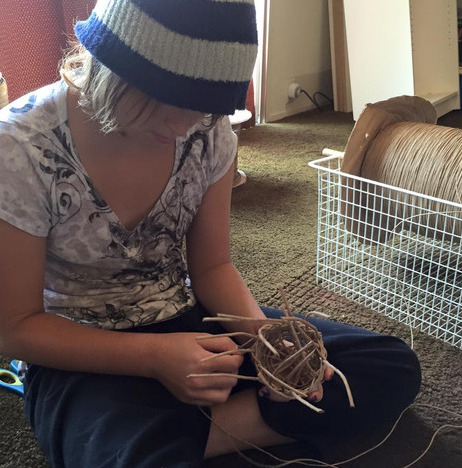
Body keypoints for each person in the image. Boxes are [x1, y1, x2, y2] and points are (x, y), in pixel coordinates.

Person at [0, 0, 421, 467]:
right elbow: (15, 328)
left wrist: (267, 341)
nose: (184, 126)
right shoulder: (19, 146)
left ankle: (186, 433)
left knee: (388, 364)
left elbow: (214, 267)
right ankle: (192, 431)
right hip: (80, 350)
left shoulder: (208, 130)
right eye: (169, 100)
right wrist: (154, 357)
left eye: (204, 109)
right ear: (113, 68)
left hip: (187, 316)